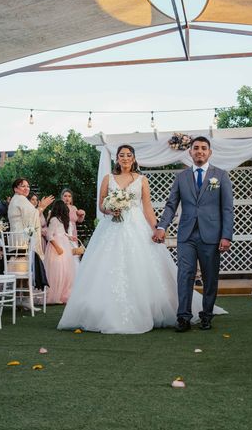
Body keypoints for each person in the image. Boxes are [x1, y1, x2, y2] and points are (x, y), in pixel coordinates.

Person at [59, 144, 226, 334]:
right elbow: (101, 205)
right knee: (108, 267)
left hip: (136, 226)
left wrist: (157, 229)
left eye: (128, 155)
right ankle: (102, 310)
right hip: (111, 228)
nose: (125, 158)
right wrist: (110, 209)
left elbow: (147, 208)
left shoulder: (142, 180)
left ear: (134, 158)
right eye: (121, 155)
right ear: (117, 159)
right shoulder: (108, 179)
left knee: (140, 266)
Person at [154, 136, 234, 332]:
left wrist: (226, 235)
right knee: (184, 275)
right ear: (189, 152)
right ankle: (183, 317)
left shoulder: (221, 176)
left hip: (212, 235)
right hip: (187, 235)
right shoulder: (181, 177)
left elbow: (227, 209)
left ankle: (206, 315)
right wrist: (162, 226)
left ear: (209, 152)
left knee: (210, 277)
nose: (199, 151)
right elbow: (171, 205)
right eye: (196, 148)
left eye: (203, 148)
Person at [7, 178, 53, 308]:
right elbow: (31, 217)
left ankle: (21, 299)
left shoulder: (18, 199)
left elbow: (31, 216)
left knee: (22, 272)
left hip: (18, 238)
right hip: (21, 239)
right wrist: (42, 207)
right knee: (24, 271)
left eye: (28, 186)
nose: (26, 188)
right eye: (23, 186)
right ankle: (25, 299)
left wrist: (39, 208)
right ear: (16, 188)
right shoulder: (20, 200)